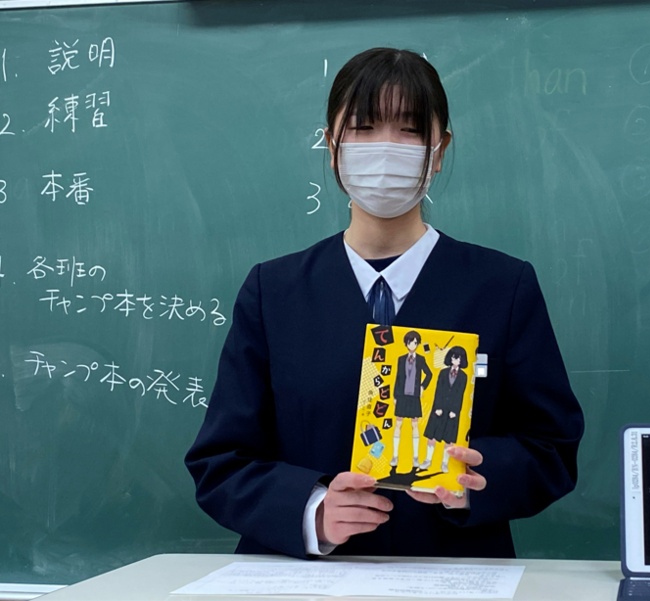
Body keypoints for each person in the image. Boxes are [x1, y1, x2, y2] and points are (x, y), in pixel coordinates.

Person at [185, 47, 584, 560]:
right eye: (364, 127)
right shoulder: (273, 291)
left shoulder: (503, 287)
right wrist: (312, 511)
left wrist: (472, 481)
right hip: (305, 582)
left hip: (453, 574)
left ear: (439, 150)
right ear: (332, 146)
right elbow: (221, 460)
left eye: (410, 130)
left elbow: (551, 448)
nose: (386, 147)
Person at [422, 346, 468, 473]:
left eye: (459, 358)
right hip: (438, 408)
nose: (456, 360)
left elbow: (460, 395)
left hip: (453, 411)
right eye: (454, 357)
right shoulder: (442, 373)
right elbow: (438, 391)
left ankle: (445, 463)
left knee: (449, 439)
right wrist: (438, 407)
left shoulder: (463, 376)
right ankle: (428, 460)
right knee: (432, 436)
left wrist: (455, 411)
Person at [391, 330, 433, 470]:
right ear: (406, 343)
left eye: (415, 342)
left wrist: (422, 387)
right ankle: (395, 456)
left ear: (418, 344)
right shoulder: (401, 359)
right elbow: (398, 377)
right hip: (402, 396)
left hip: (414, 396)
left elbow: (429, 374)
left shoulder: (420, 359)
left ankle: (415, 457)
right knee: (398, 424)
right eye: (410, 342)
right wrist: (395, 396)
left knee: (415, 425)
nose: (412, 345)